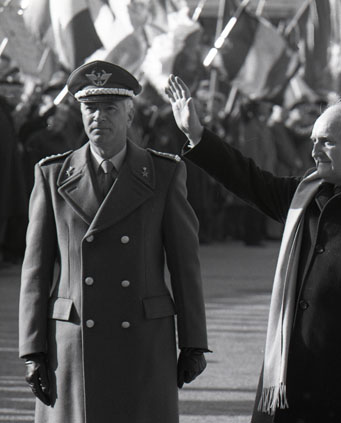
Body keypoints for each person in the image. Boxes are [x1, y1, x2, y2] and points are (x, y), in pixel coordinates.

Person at [166, 75, 341, 423]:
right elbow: (249, 179)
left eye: (327, 142)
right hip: (294, 374)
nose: (314, 151)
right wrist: (197, 135)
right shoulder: (305, 195)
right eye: (313, 141)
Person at [19, 61, 209, 423]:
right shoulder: (52, 175)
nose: (99, 117)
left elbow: (185, 265)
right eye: (90, 108)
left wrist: (193, 342)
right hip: (74, 340)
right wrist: (32, 350)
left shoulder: (164, 173)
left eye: (110, 108)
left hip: (141, 337)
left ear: (130, 114)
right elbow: (36, 271)